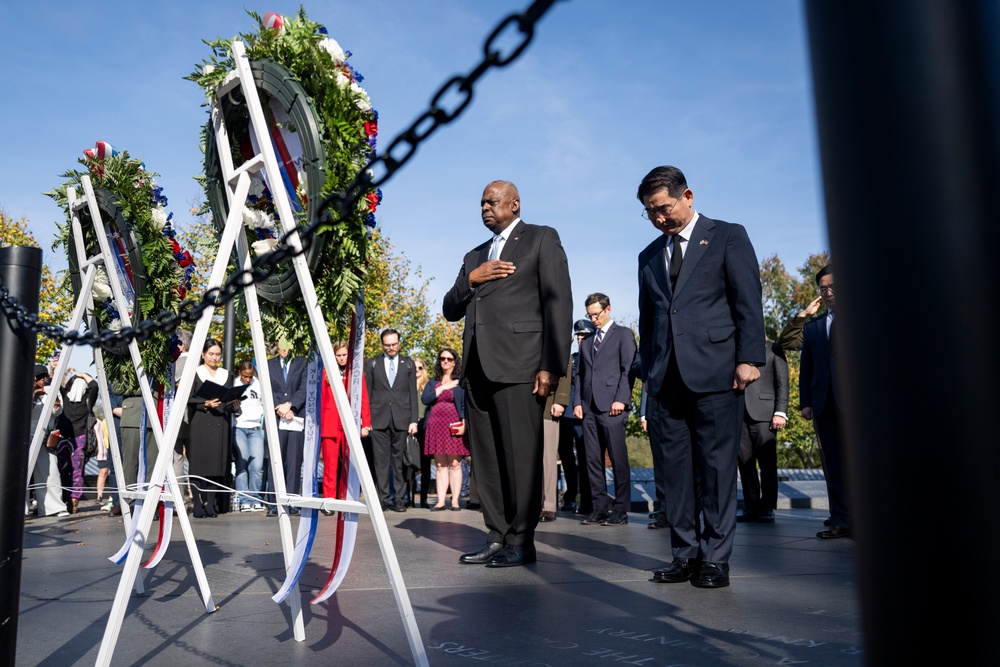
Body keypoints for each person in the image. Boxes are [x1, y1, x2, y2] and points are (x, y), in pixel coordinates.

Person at [637, 165, 765, 589]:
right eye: (650, 213)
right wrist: (651, 378)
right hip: (667, 380)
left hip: (717, 372)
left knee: (715, 470)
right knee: (674, 473)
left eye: (663, 208)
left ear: (687, 195)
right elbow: (651, 319)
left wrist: (750, 358)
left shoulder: (728, 235)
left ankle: (715, 559)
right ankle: (685, 554)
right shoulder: (649, 256)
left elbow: (747, 300)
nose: (658, 219)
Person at [443, 180, 572, 568]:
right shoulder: (474, 256)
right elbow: (450, 308)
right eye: (481, 202)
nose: (484, 207)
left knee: (519, 457)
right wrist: (472, 280)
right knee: (487, 460)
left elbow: (558, 303)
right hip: (478, 371)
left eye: (492, 201)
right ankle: (496, 535)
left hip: (521, 367)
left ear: (514, 204)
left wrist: (551, 364)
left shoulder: (540, 239)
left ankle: (521, 539)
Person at [574, 293, 637, 527]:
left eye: (596, 314)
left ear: (608, 309)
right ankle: (599, 508)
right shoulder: (588, 342)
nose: (593, 319)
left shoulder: (623, 334)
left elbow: (627, 369)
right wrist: (578, 402)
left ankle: (620, 509)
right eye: (589, 315)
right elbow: (580, 375)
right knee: (592, 460)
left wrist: (621, 399)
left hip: (613, 406)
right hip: (589, 407)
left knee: (618, 459)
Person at [799, 264, 850, 539]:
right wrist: (805, 401)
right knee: (833, 463)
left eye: (833, 287)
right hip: (823, 402)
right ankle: (841, 519)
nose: (828, 292)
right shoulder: (814, 326)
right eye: (823, 288)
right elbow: (805, 366)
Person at [364, 328, 419, 512]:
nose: (391, 348)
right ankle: (382, 498)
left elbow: (412, 393)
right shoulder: (372, 364)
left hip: (402, 419)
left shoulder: (408, 364)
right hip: (378, 419)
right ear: (382, 345)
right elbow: (368, 393)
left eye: (394, 344)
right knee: (380, 462)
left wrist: (414, 420)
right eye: (387, 345)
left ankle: (399, 499)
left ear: (399, 343)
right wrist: (367, 419)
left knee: (399, 462)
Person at [736, 341, 789, 523]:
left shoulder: (774, 349)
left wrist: (780, 412)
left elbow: (782, 382)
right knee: (744, 464)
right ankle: (751, 506)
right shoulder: (734, 349)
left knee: (767, 463)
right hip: (739, 414)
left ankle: (767, 507)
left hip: (766, 414)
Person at [187, 338, 237, 518]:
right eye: (211, 354)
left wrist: (235, 404)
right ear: (203, 354)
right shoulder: (194, 373)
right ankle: (198, 504)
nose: (215, 358)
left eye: (217, 354)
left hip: (220, 423)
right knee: (198, 464)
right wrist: (204, 403)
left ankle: (210, 504)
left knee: (216, 465)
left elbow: (229, 398)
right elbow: (187, 398)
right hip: (200, 422)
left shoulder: (227, 374)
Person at [319, 341, 371, 506]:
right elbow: (321, 401)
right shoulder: (325, 373)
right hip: (329, 424)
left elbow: (363, 399)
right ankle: (329, 500)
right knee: (330, 464)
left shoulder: (356, 374)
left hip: (350, 424)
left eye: (344, 355)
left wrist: (366, 424)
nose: (341, 358)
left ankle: (346, 498)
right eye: (338, 355)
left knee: (350, 464)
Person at [422, 348, 468, 511]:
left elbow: (464, 404)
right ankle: (441, 501)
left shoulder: (461, 381)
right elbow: (425, 399)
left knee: (455, 463)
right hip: (436, 425)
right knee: (441, 465)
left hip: (453, 425)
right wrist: (442, 388)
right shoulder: (434, 381)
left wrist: (464, 423)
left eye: (449, 359)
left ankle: (454, 501)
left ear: (455, 362)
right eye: (442, 358)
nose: (445, 361)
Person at [266, 339, 308, 516]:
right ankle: (273, 503)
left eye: (287, 344)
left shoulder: (303, 362)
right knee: (275, 461)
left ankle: (291, 501)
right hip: (277, 417)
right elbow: (267, 388)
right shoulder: (269, 364)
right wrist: (281, 408)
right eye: (281, 345)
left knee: (294, 461)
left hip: (296, 417)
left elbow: (304, 387)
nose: (284, 348)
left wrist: (290, 405)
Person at [559, 319, 596, 516]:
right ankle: (571, 496)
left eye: (585, 335)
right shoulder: (570, 359)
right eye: (579, 336)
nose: (582, 339)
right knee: (566, 456)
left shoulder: (593, 359)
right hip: (566, 414)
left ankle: (587, 500)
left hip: (584, 414)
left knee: (585, 457)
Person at [55, 371, 98, 514]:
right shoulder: (65, 396)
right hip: (63, 438)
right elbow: (54, 383)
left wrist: (80, 375)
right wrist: (81, 377)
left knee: (76, 471)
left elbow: (94, 386)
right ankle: (61, 500)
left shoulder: (87, 399)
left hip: (79, 438)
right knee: (61, 469)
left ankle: (73, 501)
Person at [31, 364, 68, 517]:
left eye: (45, 376)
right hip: (26, 436)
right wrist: (34, 396)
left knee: (50, 471)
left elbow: (57, 412)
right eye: (40, 377)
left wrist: (56, 404)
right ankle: (20, 508)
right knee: (20, 474)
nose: (43, 380)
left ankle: (54, 508)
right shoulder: (24, 388)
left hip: (45, 436)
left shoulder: (52, 389)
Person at [539, 353, 571, 523]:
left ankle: (548, 506)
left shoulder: (554, 334)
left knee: (547, 458)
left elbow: (564, 364)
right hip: (526, 405)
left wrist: (560, 400)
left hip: (548, 404)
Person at [233, 360, 266, 512]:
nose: (248, 379)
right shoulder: (233, 384)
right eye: (245, 376)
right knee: (242, 462)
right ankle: (244, 500)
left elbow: (265, 405)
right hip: (239, 427)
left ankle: (255, 498)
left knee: (257, 465)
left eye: (250, 376)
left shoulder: (259, 384)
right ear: (240, 373)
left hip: (255, 428)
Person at [414, 358, 433, 508]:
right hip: (410, 428)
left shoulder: (428, 386)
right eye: (414, 368)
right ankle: (408, 498)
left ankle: (424, 499)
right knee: (409, 465)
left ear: (424, 369)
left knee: (425, 465)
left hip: (425, 427)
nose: (417, 371)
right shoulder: (406, 385)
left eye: (420, 368)